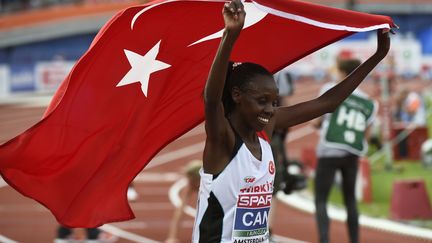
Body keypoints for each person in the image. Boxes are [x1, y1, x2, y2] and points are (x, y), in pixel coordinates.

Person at [191, 0, 390, 242]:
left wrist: (377, 57)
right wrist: (230, 36)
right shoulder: (223, 139)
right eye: (262, 100)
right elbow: (212, 100)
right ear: (237, 96)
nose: (270, 109)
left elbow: (327, 103)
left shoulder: (267, 127)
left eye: (274, 101)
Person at [313, 57, 379, 243]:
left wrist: (316, 125)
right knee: (350, 199)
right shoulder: (369, 102)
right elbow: (367, 132)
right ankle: (354, 240)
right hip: (352, 153)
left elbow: (318, 119)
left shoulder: (329, 89)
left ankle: (324, 239)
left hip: (329, 150)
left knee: (321, 199)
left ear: (342, 72)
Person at [165, 160, 202, 243]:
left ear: (198, 178)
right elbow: (179, 212)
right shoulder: (191, 185)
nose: (189, 182)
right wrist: (172, 237)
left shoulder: (210, 184)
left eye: (191, 179)